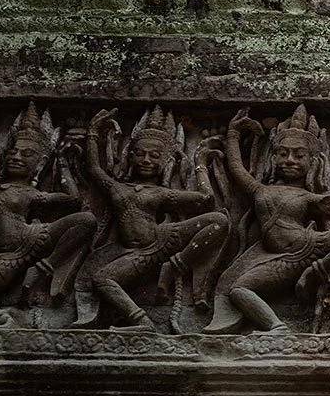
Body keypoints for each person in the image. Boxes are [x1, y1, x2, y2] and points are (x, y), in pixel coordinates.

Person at [206, 106, 330, 332]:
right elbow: (236, 169)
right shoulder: (259, 190)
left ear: (313, 162)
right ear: (273, 158)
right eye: (283, 154)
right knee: (238, 290)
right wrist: (234, 133)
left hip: (311, 246)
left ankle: (317, 271)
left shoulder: (309, 197)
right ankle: (277, 327)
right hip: (282, 259)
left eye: (299, 155)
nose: (290, 160)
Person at [76, 106, 230, 329]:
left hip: (161, 239)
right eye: (140, 153)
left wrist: (200, 163)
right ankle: (142, 322)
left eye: (155, 156)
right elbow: (93, 168)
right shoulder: (116, 187)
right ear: (130, 156)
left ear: (167, 162)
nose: (146, 160)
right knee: (102, 280)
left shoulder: (161, 193)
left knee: (219, 221)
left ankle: (177, 265)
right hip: (132, 252)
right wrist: (92, 133)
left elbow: (206, 199)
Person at [0, 103, 99, 326]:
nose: (16, 157)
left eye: (27, 154)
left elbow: (74, 200)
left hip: (37, 237)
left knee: (86, 219)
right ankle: (4, 320)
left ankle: (43, 269)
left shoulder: (32, 194)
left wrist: (63, 162)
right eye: (13, 152)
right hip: (8, 258)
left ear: (39, 163)